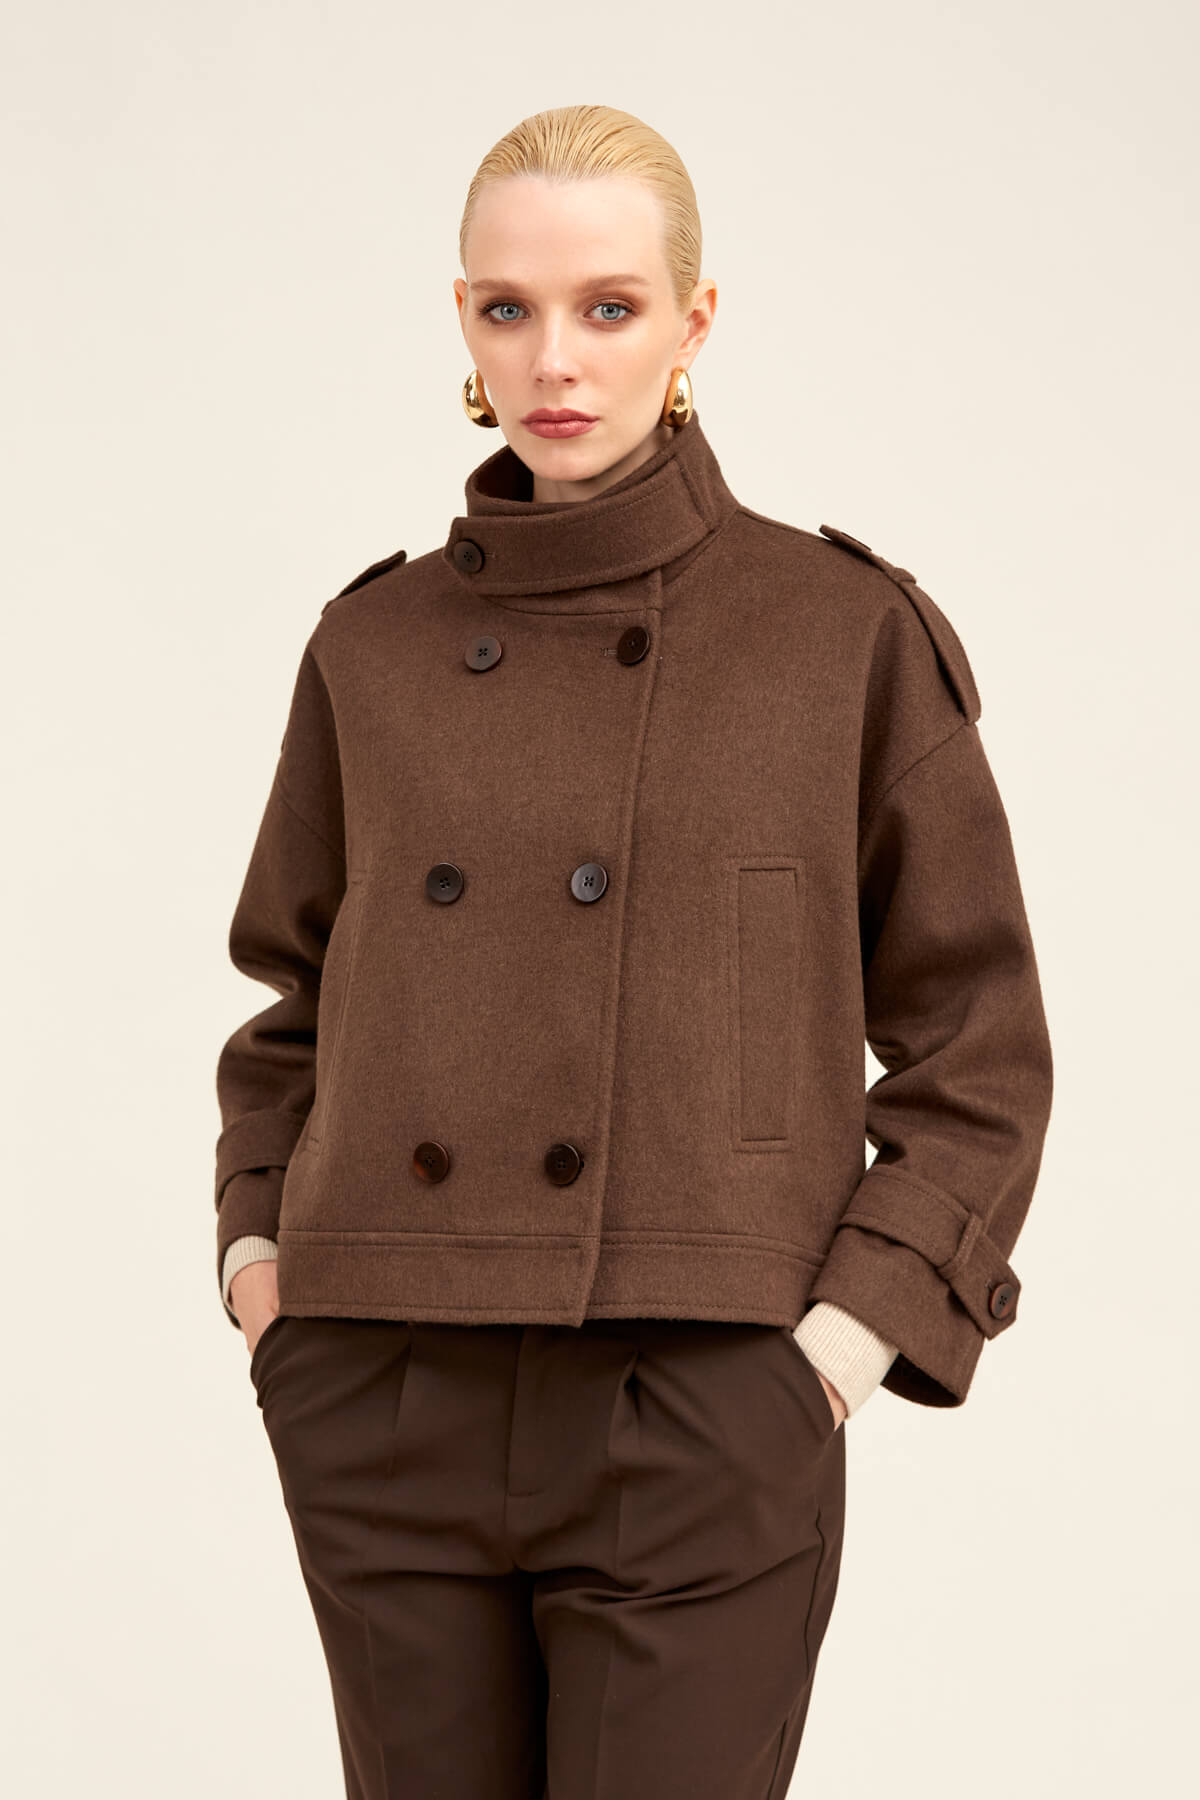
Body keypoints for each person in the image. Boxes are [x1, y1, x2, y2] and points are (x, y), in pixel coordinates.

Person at [213, 103, 1053, 1800]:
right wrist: (261, 1266)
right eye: (508, 308)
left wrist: (837, 1349)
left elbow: (979, 1042)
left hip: (699, 1396)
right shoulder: (370, 644)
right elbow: (291, 998)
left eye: (608, 306)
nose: (556, 359)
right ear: (462, 322)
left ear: (694, 320)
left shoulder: (837, 635)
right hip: (386, 1375)